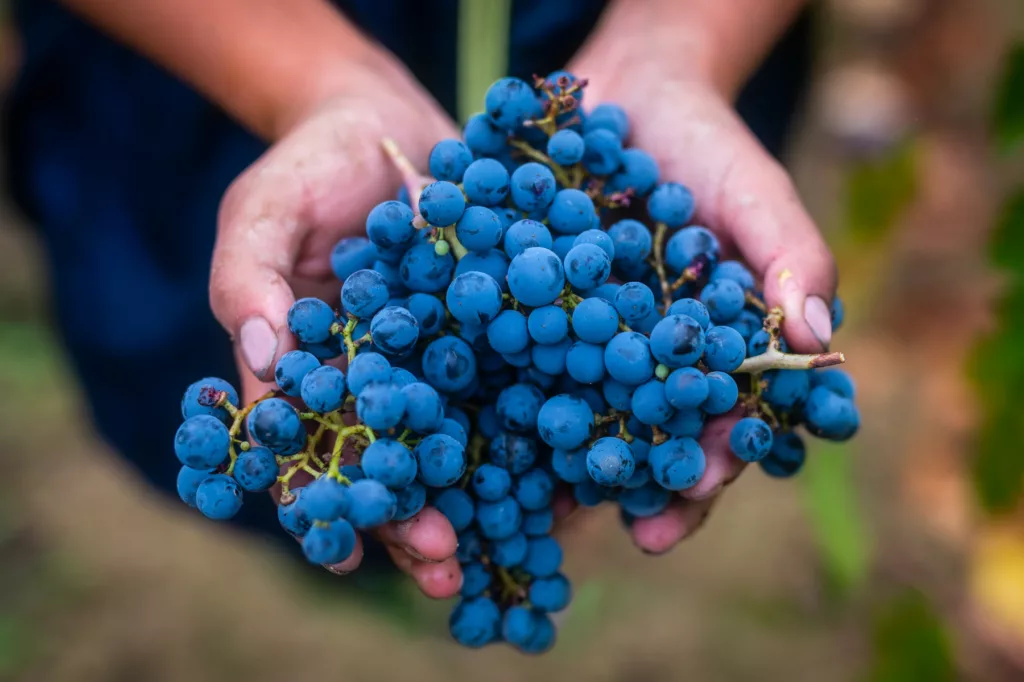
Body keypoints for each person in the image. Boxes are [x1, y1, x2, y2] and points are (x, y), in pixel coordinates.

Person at [3, 0, 836, 599]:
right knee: (245, 351)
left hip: (621, 47)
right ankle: (339, 569)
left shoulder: (592, 220)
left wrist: (679, 37)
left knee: (422, 457)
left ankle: (356, 566)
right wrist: (314, 81)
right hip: (212, 53)